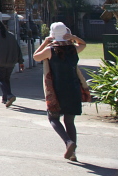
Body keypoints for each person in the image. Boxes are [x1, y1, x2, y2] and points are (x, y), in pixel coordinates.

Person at [32, 22, 87, 161]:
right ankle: (73, 153)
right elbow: (84, 44)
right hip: (73, 87)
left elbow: (35, 56)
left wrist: (45, 42)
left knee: (53, 118)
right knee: (69, 121)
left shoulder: (51, 50)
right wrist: (73, 37)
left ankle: (69, 143)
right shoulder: (73, 49)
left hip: (57, 89)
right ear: (66, 34)